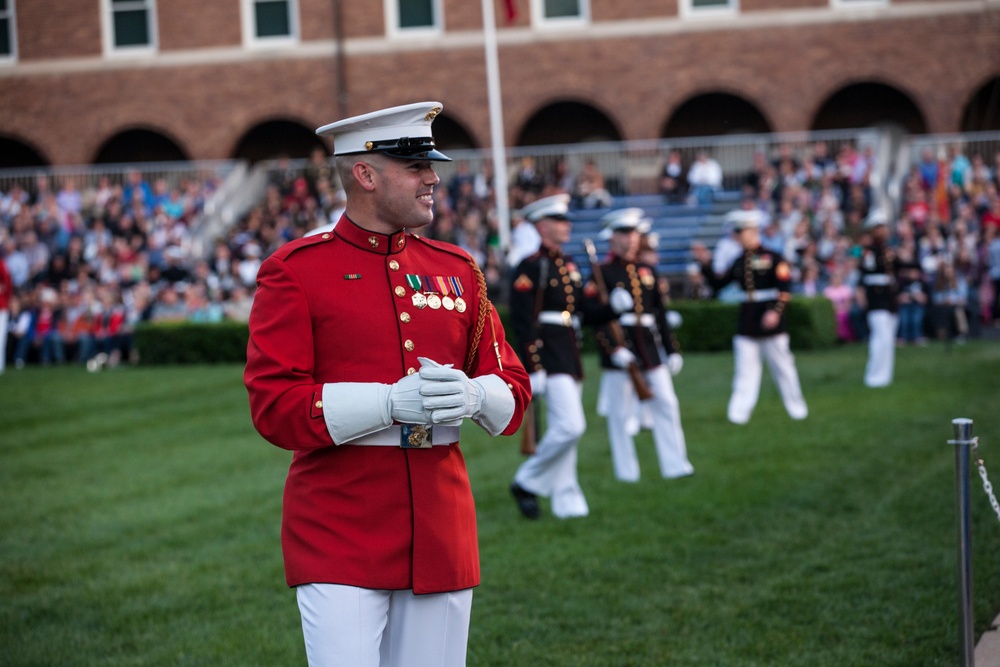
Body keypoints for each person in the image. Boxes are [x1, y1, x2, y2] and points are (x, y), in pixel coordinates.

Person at [243, 101, 530, 667]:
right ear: (365, 174)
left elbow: (514, 389)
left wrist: (475, 395)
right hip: (338, 525)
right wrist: (386, 402)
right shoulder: (297, 271)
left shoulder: (457, 269)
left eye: (431, 165)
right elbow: (274, 406)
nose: (433, 178)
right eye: (416, 167)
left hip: (442, 523)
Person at [508, 193, 632, 519]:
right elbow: (522, 321)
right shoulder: (532, 266)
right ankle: (526, 480)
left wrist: (610, 307)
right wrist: (533, 365)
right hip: (549, 354)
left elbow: (583, 311)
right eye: (560, 221)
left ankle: (567, 499)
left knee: (568, 427)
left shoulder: (568, 264)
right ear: (543, 226)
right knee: (571, 427)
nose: (567, 226)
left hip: (569, 351)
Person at [587, 208, 693, 482]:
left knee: (667, 404)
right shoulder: (602, 272)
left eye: (633, 232)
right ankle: (626, 472)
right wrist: (613, 348)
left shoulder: (647, 270)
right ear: (612, 237)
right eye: (624, 233)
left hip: (648, 345)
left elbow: (660, 315)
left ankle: (676, 464)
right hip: (621, 348)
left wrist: (671, 349)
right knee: (620, 416)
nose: (631, 238)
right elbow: (594, 317)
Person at [693, 209, 808, 424]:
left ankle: (797, 408)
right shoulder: (738, 260)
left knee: (783, 367)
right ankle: (738, 414)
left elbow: (785, 289)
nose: (737, 236)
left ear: (753, 231)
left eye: (741, 231)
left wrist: (775, 312)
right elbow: (719, 284)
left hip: (771, 320)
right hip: (748, 320)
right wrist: (705, 263)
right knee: (745, 371)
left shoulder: (773, 257)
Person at [857, 211, 899, 387]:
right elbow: (865, 274)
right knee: (879, 337)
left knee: (888, 338)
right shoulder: (869, 251)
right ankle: (874, 376)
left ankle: (885, 376)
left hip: (889, 297)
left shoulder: (888, 250)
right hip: (876, 297)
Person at [0, 254, 11, 373]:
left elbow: (7, 284)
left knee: (1, 336)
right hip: (2, 304)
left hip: (1, 305)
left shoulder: (2, 264)